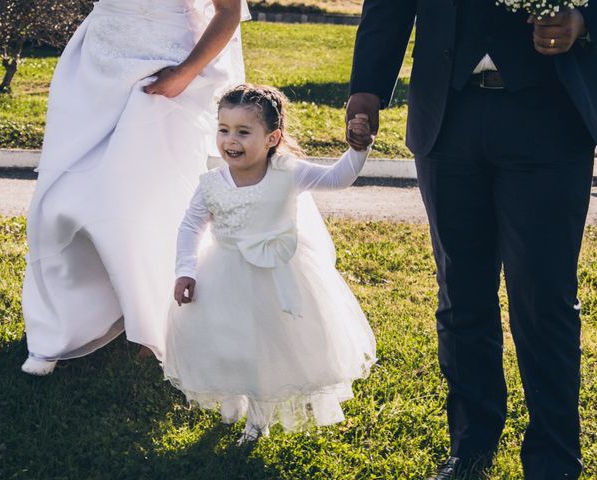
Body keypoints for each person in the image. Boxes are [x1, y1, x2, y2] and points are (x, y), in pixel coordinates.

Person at [347, 3, 597, 479]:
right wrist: (368, 88)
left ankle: (554, 461)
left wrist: (584, 21)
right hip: (447, 116)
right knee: (460, 294)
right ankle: (470, 447)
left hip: (550, 117)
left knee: (544, 300)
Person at [20, 0, 252, 376]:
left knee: (135, 206)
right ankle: (58, 327)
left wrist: (186, 73)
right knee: (57, 201)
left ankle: (156, 320)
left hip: (163, 75)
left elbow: (227, 13)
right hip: (94, 68)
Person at [163, 84, 377, 444]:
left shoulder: (288, 173)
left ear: (272, 137)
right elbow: (190, 226)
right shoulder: (211, 184)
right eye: (224, 130)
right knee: (229, 342)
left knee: (266, 348)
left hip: (277, 279)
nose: (231, 140)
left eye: (243, 132)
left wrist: (360, 148)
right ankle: (233, 404)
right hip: (224, 276)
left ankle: (258, 419)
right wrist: (186, 269)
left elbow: (337, 179)